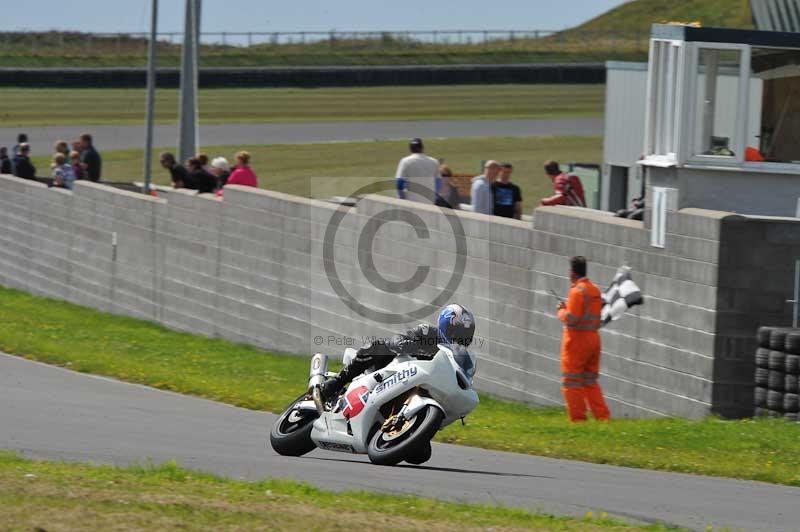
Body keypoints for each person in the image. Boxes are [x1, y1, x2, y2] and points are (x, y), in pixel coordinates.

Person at [319, 303, 475, 402]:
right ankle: (336, 382)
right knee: (378, 346)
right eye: (457, 332)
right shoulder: (427, 332)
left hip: (419, 386)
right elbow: (399, 338)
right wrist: (405, 344)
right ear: (446, 325)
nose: (459, 339)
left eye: (464, 336)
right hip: (391, 371)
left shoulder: (457, 357)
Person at [557, 256, 610, 422]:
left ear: (572, 272)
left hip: (577, 342)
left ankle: (579, 420)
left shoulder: (576, 291)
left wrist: (561, 311)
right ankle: (603, 417)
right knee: (590, 381)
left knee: (571, 381)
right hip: (594, 339)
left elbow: (572, 319)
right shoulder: (595, 290)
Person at [395, 138, 441, 204]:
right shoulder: (434, 162)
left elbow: (399, 182)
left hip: (412, 202)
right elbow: (438, 182)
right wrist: (434, 197)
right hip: (429, 202)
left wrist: (402, 198)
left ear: (410, 149)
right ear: (422, 148)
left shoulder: (405, 161)